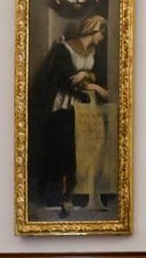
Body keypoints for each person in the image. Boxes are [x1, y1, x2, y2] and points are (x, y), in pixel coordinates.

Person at [27, 15, 110, 218]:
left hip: (84, 111)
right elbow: (68, 79)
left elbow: (98, 76)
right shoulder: (64, 49)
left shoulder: (94, 53)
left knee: (80, 154)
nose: (102, 37)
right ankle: (60, 197)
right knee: (62, 153)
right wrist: (90, 83)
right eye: (101, 32)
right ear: (93, 30)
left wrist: (87, 76)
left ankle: (74, 197)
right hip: (62, 109)